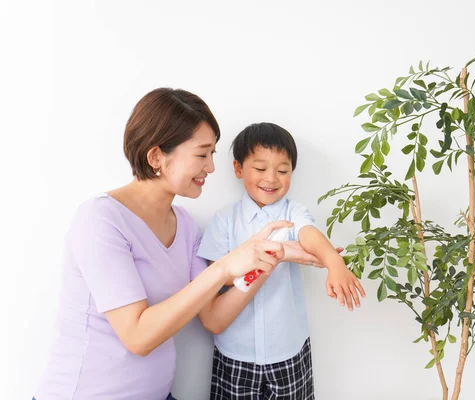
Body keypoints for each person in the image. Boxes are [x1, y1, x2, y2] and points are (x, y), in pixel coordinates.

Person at [34, 89, 326, 400]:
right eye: (202, 154)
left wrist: (269, 257)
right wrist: (226, 266)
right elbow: (138, 337)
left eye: (212, 154)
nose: (211, 167)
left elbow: (213, 315)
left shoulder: (184, 225)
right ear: (156, 156)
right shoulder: (101, 219)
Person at [197, 122, 367, 399]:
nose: (272, 178)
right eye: (261, 169)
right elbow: (218, 276)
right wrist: (268, 257)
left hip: (287, 352)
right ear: (238, 168)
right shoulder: (225, 219)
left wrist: (335, 265)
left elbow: (309, 235)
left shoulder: (293, 213)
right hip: (236, 354)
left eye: (283, 170)